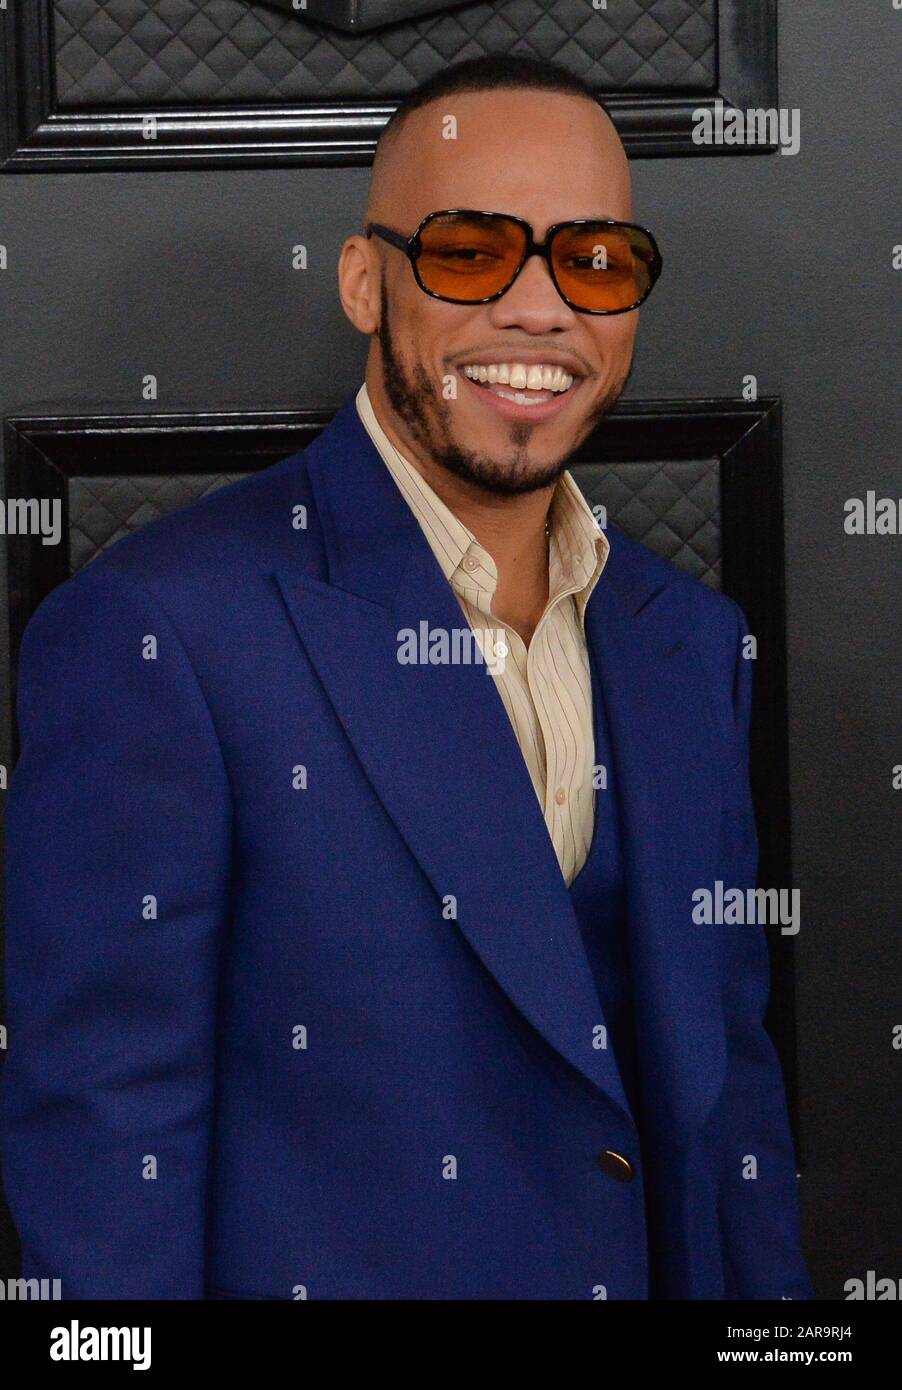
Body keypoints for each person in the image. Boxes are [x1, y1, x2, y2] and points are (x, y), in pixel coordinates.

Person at [0, 54, 813, 1300]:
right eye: (471, 251)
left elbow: (729, 1111)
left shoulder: (687, 642)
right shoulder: (161, 632)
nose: (541, 310)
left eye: (591, 260)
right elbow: (108, 1153)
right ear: (365, 282)